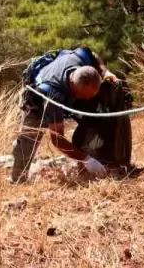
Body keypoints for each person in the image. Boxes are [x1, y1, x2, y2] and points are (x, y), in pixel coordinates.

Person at [10, 45, 135, 183]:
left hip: (66, 93)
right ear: (73, 86)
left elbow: (93, 54)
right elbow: (57, 140)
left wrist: (105, 72)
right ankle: (18, 180)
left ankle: (92, 165)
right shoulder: (54, 97)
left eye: (89, 96)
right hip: (37, 103)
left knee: (94, 117)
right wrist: (87, 160)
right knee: (27, 143)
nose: (87, 100)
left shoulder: (80, 57)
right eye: (84, 96)